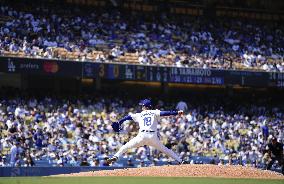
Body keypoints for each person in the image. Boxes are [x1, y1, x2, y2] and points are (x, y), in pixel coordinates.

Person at [107, 99, 185, 165]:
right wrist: (177, 112)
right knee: (165, 150)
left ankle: (116, 156)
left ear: (145, 106)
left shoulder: (140, 114)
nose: (141, 107)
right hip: (153, 137)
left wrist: (120, 122)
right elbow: (165, 113)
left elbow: (127, 117)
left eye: (142, 106)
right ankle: (180, 161)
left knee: (126, 146)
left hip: (142, 136)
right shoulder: (154, 112)